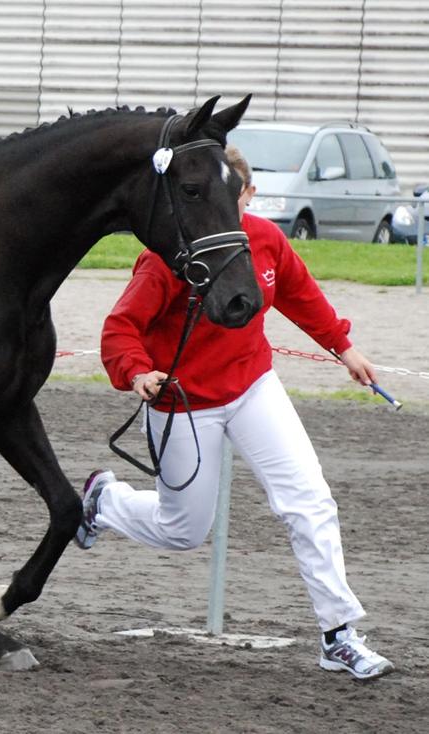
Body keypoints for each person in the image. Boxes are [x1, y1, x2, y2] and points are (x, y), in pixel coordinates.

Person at [75, 145, 395, 681]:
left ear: (246, 195)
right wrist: (136, 373)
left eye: (240, 196)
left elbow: (300, 294)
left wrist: (345, 349)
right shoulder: (167, 257)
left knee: (309, 501)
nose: (234, 207)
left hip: (252, 388)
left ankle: (338, 635)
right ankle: (104, 500)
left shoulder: (266, 239)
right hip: (182, 403)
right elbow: (119, 328)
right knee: (183, 531)